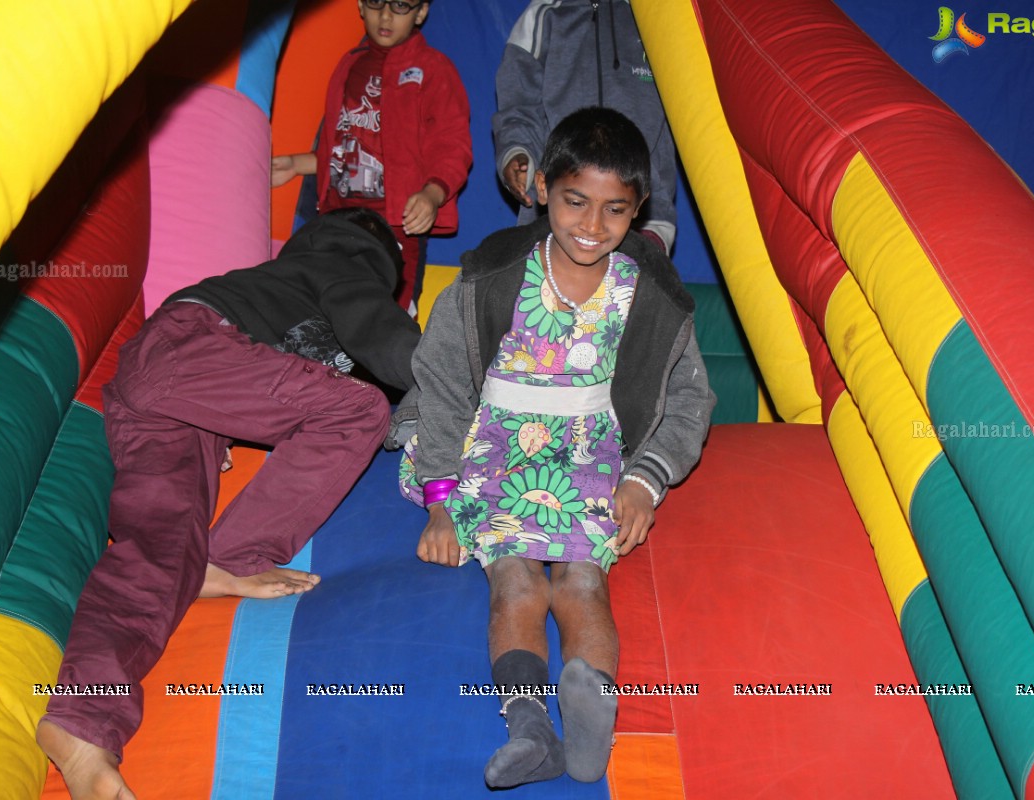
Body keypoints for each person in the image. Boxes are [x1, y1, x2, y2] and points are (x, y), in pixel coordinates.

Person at [37, 208, 421, 800]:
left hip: (163, 390)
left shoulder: (286, 284)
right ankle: (235, 557)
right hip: (194, 347)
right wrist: (450, 379)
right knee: (358, 410)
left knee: (157, 559)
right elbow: (380, 335)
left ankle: (81, 727)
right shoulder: (340, 264)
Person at [393, 107, 713, 788]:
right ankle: (529, 724)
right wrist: (442, 500)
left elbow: (689, 402)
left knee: (584, 579)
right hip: (495, 451)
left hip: (590, 460)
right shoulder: (490, 279)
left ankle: (591, 704)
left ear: (639, 210)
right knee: (512, 576)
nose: (592, 227)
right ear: (540, 187)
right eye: (574, 201)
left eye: (615, 210)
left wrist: (644, 480)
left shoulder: (651, 297)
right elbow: (444, 386)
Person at [271, 0, 472, 310]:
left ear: (421, 11)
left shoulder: (433, 69)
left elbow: (453, 145)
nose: (386, 15)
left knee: (387, 314)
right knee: (321, 308)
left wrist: (432, 194)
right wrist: (298, 164)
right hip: (338, 217)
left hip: (395, 223)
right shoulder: (349, 65)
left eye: (401, 5)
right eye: (377, 2)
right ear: (362, 7)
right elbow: (343, 143)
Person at [493, 0, 678, 254]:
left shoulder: (663, 15)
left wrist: (657, 218)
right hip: (554, 218)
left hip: (640, 221)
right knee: (544, 289)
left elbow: (684, 122)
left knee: (635, 288)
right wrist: (517, 152)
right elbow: (518, 102)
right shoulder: (548, 12)